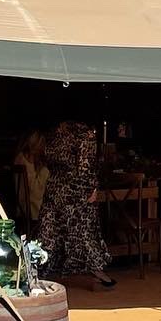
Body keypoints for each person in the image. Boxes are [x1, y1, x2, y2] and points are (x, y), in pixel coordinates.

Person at [36, 121, 115, 289]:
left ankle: (44, 269)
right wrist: (92, 187)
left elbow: (48, 159)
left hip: (55, 187)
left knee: (51, 231)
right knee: (83, 230)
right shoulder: (84, 135)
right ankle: (92, 268)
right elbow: (85, 167)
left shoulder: (54, 134)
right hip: (74, 190)